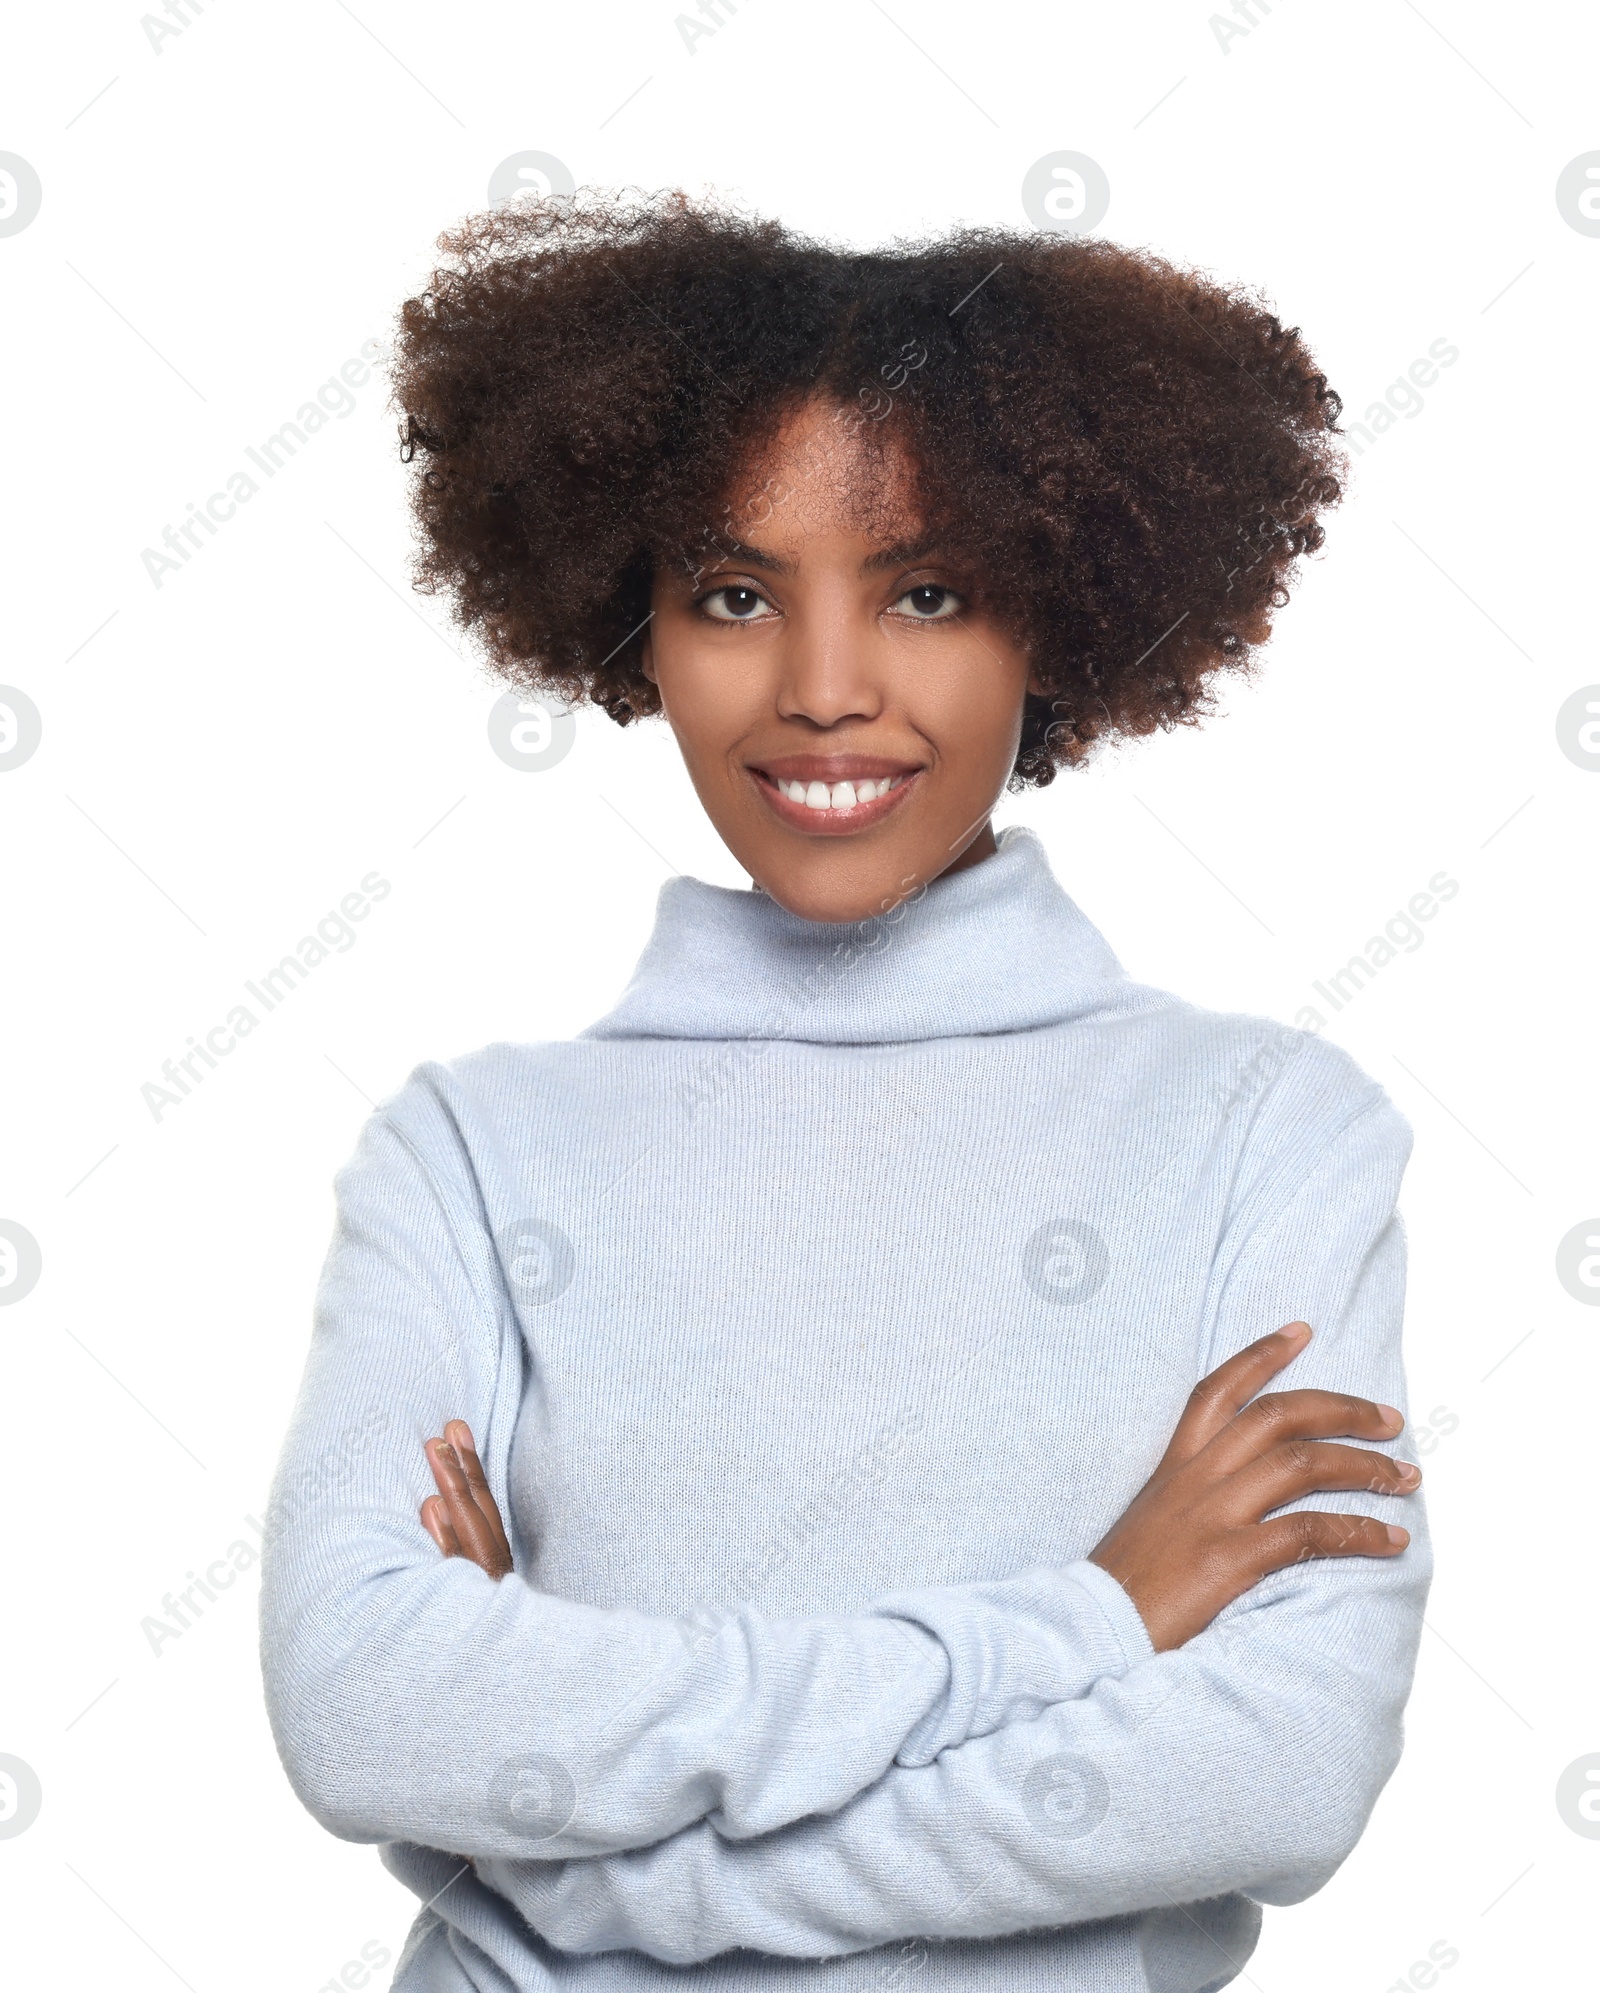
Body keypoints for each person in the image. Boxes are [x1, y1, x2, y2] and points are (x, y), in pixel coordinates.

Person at [259, 189, 1430, 1993]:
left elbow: (1277, 1772)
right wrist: (1095, 1616)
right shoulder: (474, 1159)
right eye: (735, 594)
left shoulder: (1263, 1131)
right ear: (632, 626)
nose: (823, 691)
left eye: (927, 592)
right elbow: (361, 1714)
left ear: (1057, 621)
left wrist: (573, 1869)